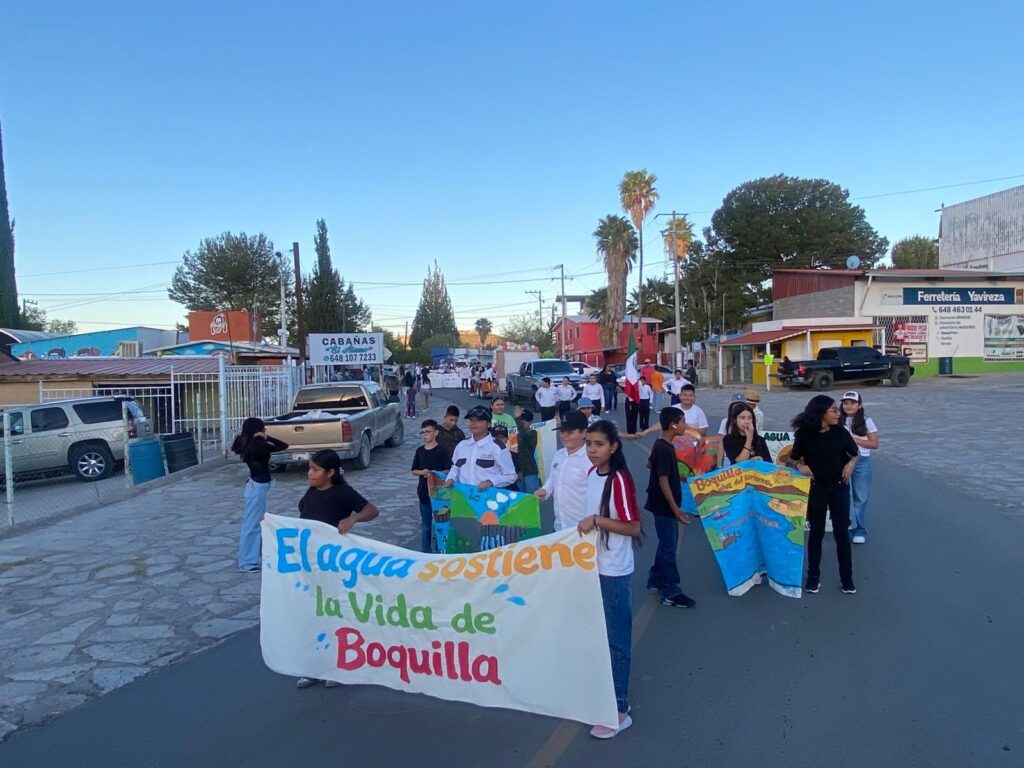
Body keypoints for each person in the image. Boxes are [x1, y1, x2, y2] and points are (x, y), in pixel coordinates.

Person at [575, 420, 641, 739]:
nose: (592, 450)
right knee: (597, 638)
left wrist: (597, 520)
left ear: (613, 447)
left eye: (599, 444)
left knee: (616, 641)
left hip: (613, 570)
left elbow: (633, 527)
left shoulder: (619, 480)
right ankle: (602, 696)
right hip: (591, 568)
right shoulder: (592, 474)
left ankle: (619, 709)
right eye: (589, 443)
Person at [296, 449, 379, 689]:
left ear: (330, 472)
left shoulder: (342, 493)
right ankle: (314, 666)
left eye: (315, 470)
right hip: (310, 564)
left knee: (333, 614)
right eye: (310, 469)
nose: (310, 474)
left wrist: (353, 519)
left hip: (333, 565)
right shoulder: (311, 493)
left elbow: (371, 510)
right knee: (312, 615)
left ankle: (337, 665)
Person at [787, 395, 859, 595]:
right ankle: (813, 578)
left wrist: (850, 464)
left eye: (837, 410)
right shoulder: (805, 435)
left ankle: (847, 579)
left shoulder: (841, 433)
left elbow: (855, 453)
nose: (838, 413)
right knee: (816, 533)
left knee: (841, 534)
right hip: (817, 488)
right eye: (833, 410)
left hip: (839, 487)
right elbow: (792, 458)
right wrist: (800, 466)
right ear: (821, 413)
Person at [644, 408, 696, 609]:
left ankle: (655, 578)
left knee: (665, 543)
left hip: (659, 504)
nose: (685, 425)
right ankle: (671, 590)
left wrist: (677, 474)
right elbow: (662, 479)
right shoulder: (664, 448)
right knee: (669, 547)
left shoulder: (662, 444)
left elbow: (651, 465)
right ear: (673, 425)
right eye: (682, 421)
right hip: (664, 506)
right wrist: (676, 509)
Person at [231, 418, 288, 572]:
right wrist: (266, 438)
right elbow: (283, 445)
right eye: (263, 428)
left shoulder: (245, 442)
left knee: (255, 523)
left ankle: (255, 556)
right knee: (252, 525)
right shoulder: (258, 445)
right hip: (258, 486)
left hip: (255, 485)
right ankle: (247, 562)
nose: (265, 430)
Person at [535, 409, 591, 531]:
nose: (564, 436)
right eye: (562, 431)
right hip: (559, 526)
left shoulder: (591, 460)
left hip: (582, 530)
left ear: (584, 433)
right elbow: (552, 479)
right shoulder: (559, 455)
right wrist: (545, 490)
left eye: (570, 432)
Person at [445, 406, 517, 491]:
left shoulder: (498, 447)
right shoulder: (462, 445)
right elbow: (456, 468)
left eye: (478, 420)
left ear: (489, 424)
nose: (473, 424)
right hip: (464, 496)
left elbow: (511, 475)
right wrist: (451, 478)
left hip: (488, 497)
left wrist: (491, 482)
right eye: (471, 420)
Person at [840, 391, 879, 545]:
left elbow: (874, 443)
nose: (849, 406)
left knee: (860, 497)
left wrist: (853, 439)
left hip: (861, 460)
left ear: (860, 405)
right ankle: (845, 526)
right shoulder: (837, 420)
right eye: (846, 403)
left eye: (852, 403)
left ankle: (859, 530)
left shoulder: (866, 421)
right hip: (841, 459)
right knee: (842, 495)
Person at [411, 419, 451, 553]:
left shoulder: (442, 451)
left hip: (440, 493)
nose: (425, 435)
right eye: (422, 432)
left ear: (436, 432)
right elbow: (413, 470)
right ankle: (425, 550)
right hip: (423, 492)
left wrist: (435, 474)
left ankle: (441, 549)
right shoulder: (419, 451)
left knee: (441, 523)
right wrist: (422, 472)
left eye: (428, 432)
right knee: (426, 524)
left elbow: (448, 470)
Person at [514, 409, 541, 494]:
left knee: (532, 498)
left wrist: (518, 418)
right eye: (520, 423)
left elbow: (524, 435)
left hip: (530, 471)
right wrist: (519, 470)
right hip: (521, 471)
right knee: (521, 499)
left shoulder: (533, 433)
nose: (521, 425)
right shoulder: (519, 434)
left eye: (523, 423)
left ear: (530, 422)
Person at [489, 424, 520, 491]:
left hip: (510, 490)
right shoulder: (486, 455)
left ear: (507, 438)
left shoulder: (514, 456)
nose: (499, 440)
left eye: (502, 437)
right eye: (497, 437)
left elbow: (519, 475)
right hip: (491, 490)